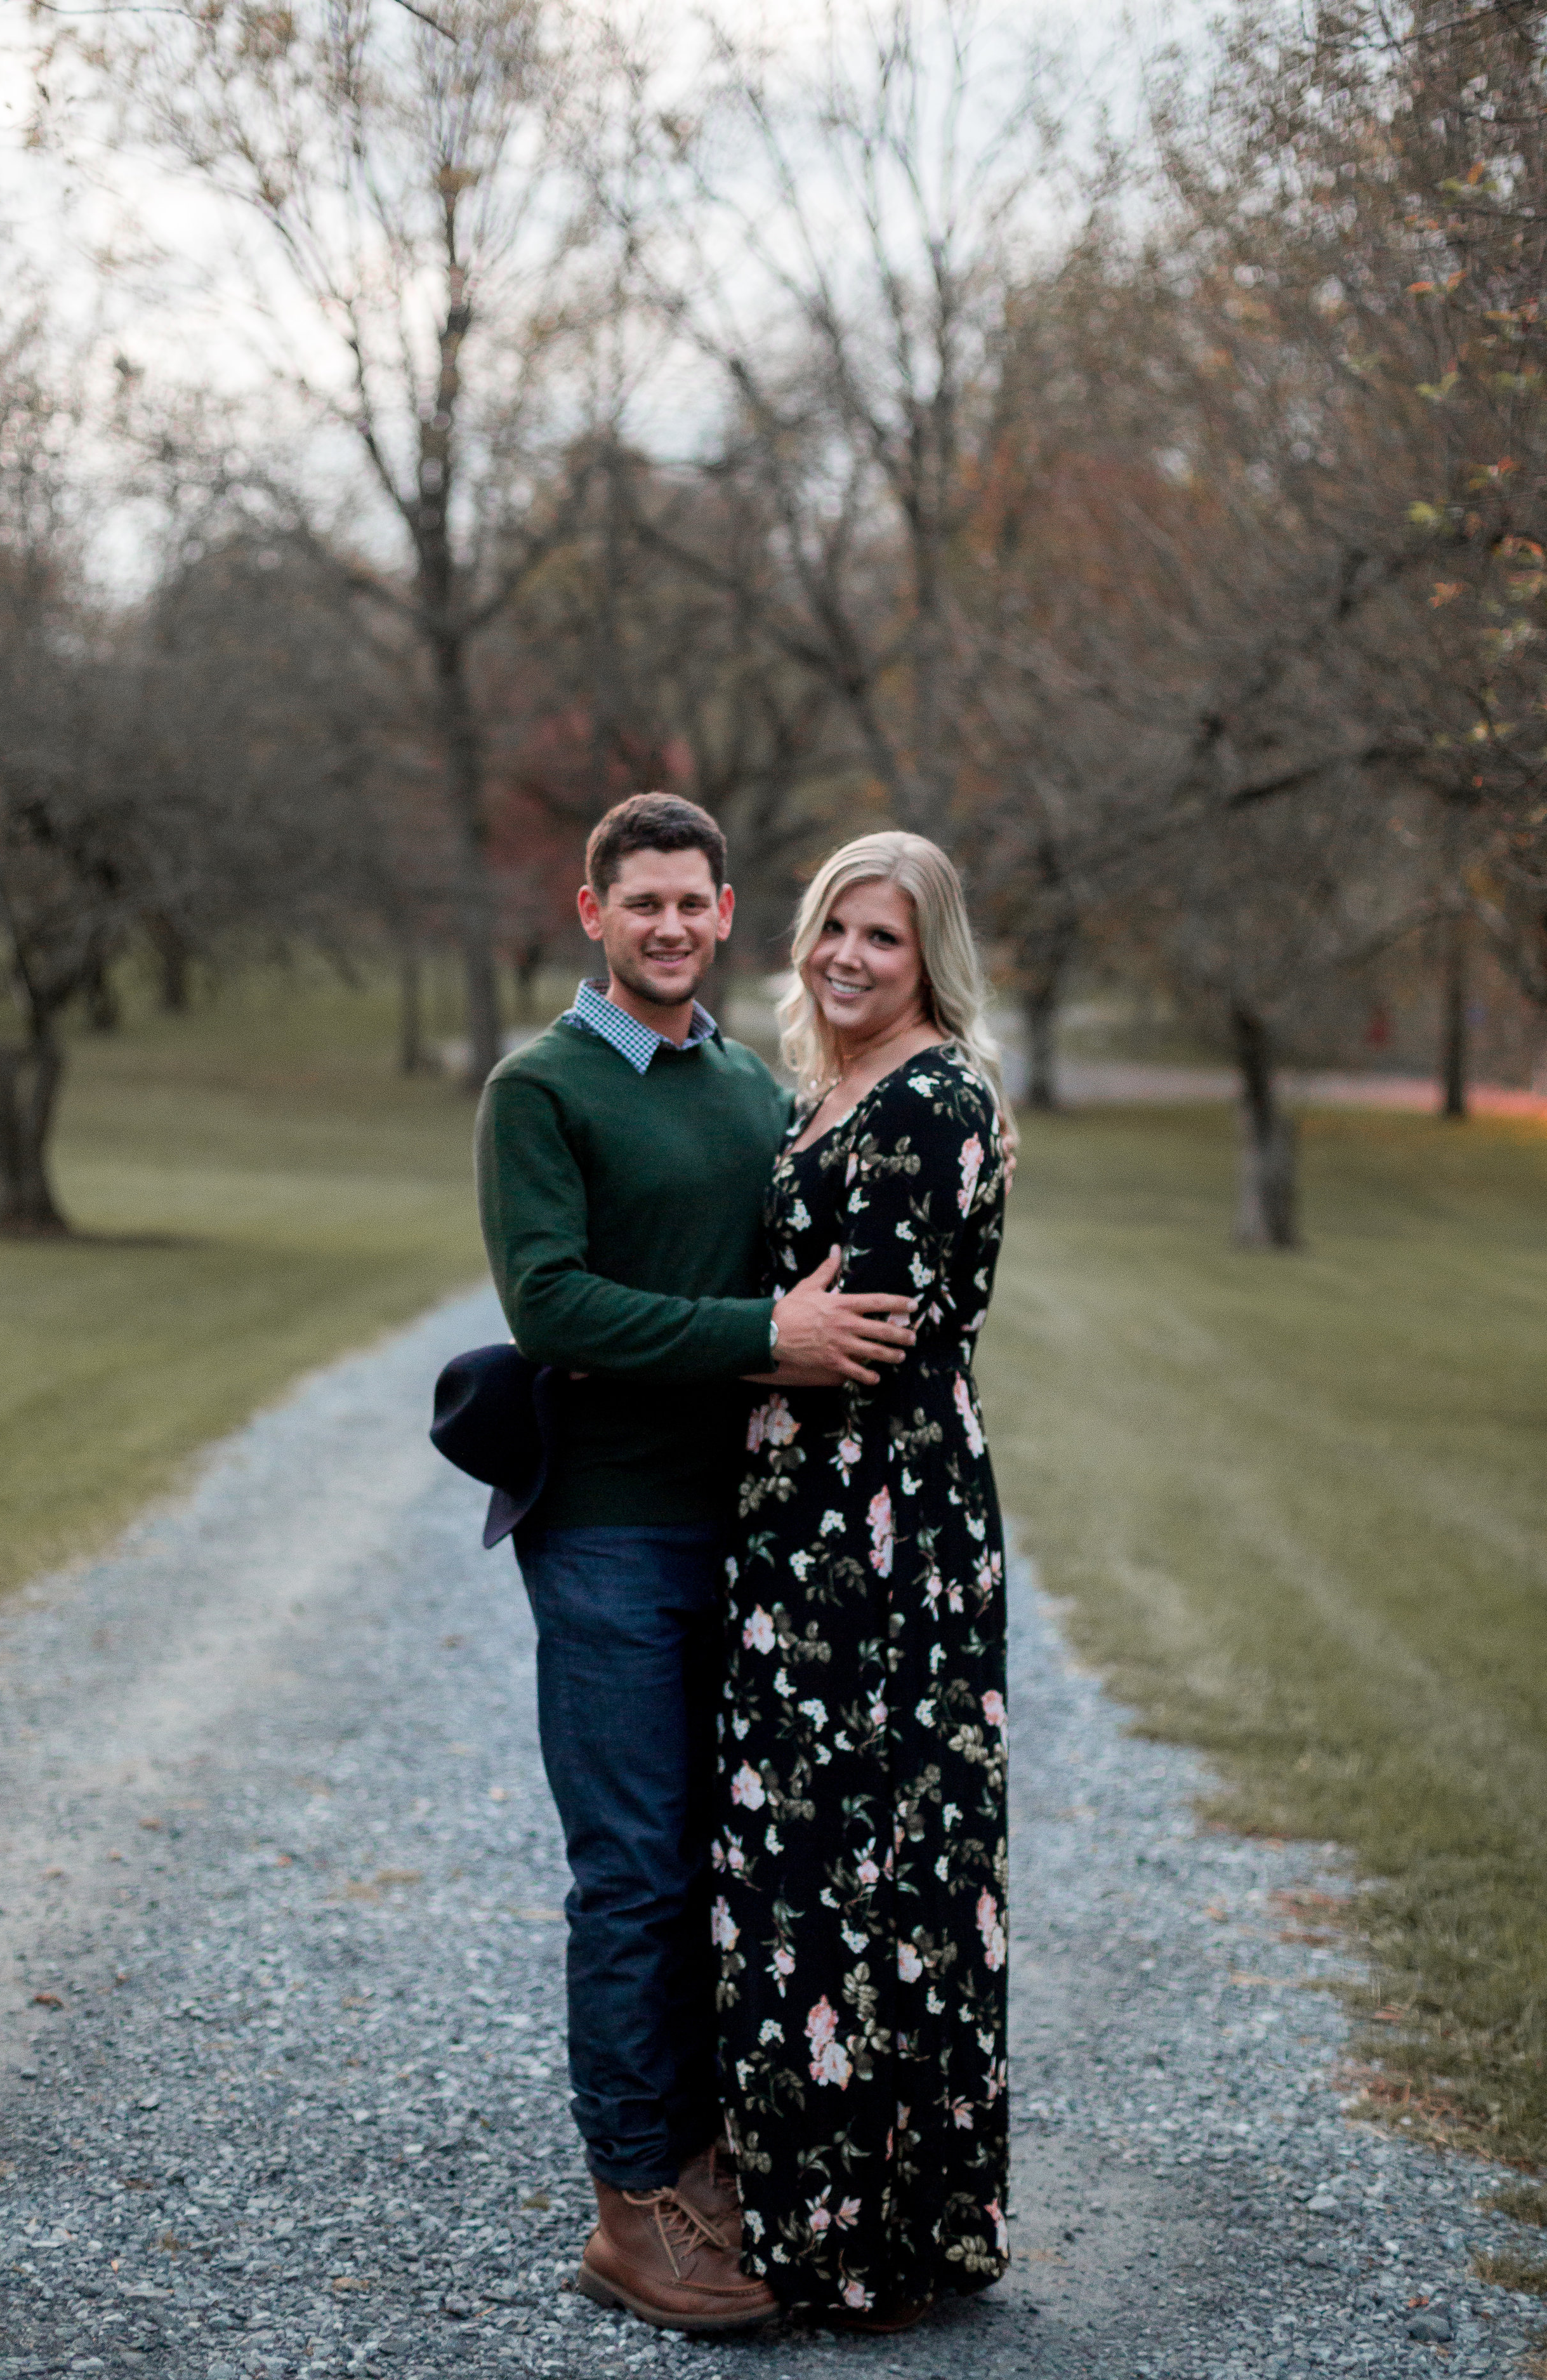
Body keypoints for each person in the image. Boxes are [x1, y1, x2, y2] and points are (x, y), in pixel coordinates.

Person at [475, 793, 919, 2334]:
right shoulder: (539, 1091)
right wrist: (763, 1340)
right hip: (604, 1531)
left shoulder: (751, 1088)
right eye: (637, 902)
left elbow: (801, 1280)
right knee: (637, 1875)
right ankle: (630, 2205)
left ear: (728, 915)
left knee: (739, 1872)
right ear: (588, 913)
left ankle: (712, 2152)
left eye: (691, 902)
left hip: (757, 1539)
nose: (666, 925)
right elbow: (555, 1308)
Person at [713, 831, 1010, 2329]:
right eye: (833, 926)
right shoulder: (822, 1092)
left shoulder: (926, 1099)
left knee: (867, 1867)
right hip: (804, 1525)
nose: (844, 957)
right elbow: (794, 1313)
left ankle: (872, 2242)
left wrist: (743, 1334)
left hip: (878, 1535)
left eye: (880, 940)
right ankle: (799, 2212)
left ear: (925, 959)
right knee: (797, 1864)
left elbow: (865, 1334)